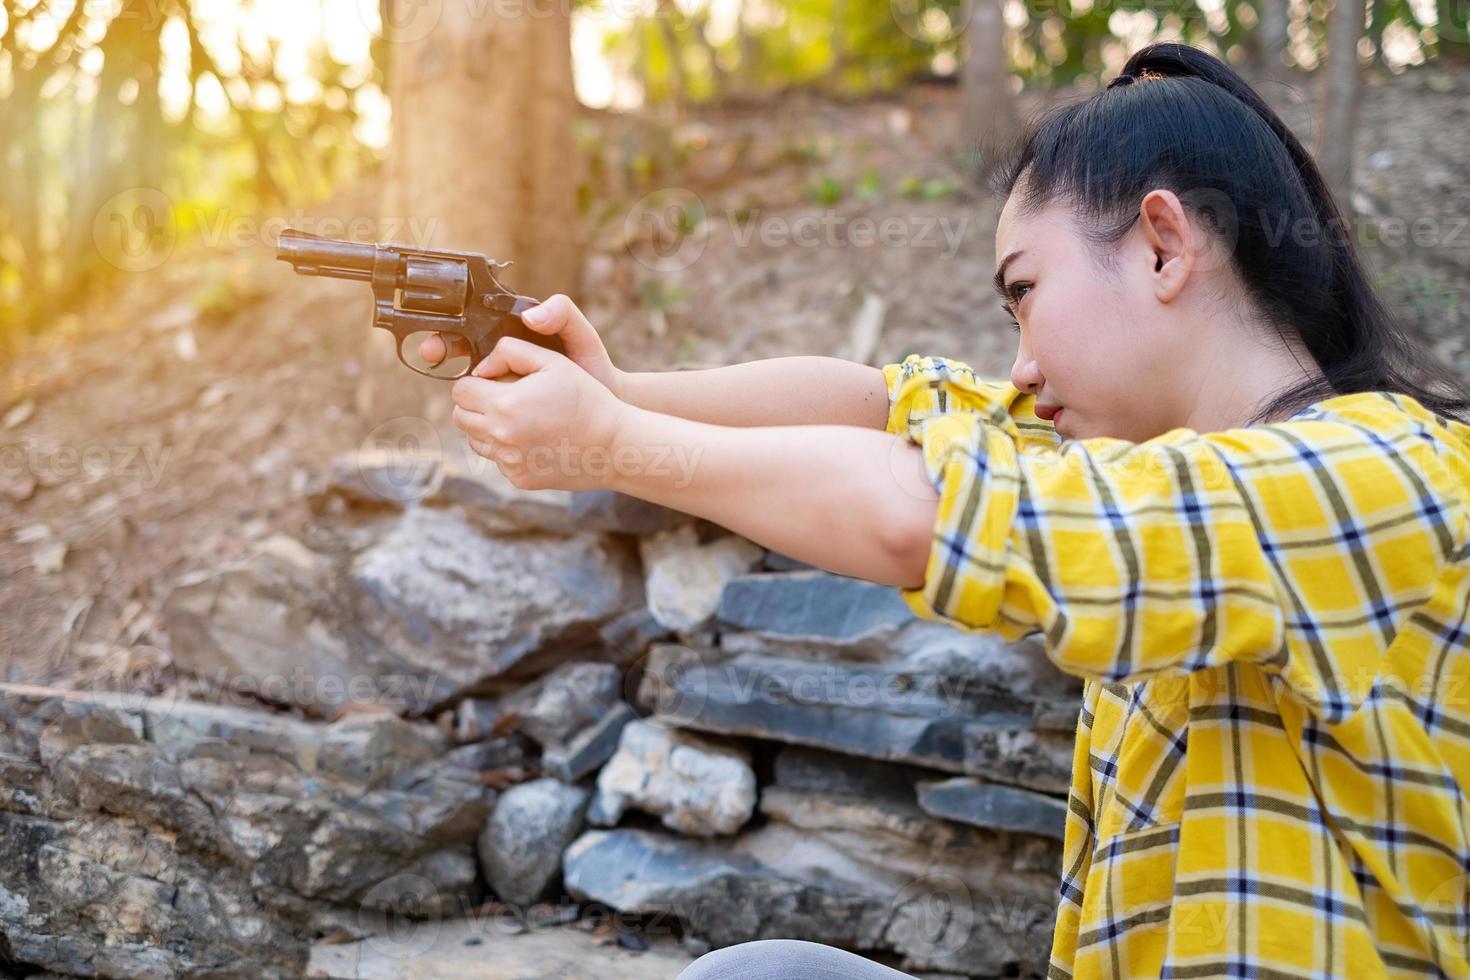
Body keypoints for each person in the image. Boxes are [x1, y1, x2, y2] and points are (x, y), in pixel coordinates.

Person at [430, 41, 1470, 979]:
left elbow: (913, 512)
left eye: (1025, 290)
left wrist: (607, 444)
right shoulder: (1152, 467)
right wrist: (619, 391)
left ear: (1162, 245)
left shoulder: (1369, 474)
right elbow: (885, 408)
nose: (1018, 362)